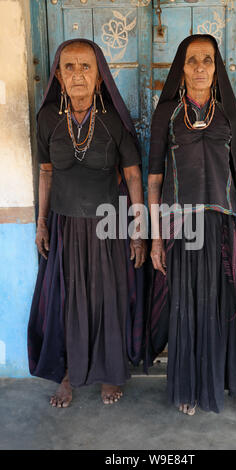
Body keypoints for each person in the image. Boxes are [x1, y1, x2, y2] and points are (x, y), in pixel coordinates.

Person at [145, 34, 236, 429]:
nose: (200, 67)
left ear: (217, 66)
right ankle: (188, 385)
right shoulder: (166, 115)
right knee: (185, 307)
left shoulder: (227, 115)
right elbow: (154, 179)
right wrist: (155, 237)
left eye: (208, 59)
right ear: (182, 68)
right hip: (181, 228)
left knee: (233, 304)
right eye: (192, 60)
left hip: (224, 228)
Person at [28, 39, 147, 407]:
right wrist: (42, 223)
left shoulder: (113, 122)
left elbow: (133, 177)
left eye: (86, 67)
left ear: (99, 78)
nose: (77, 75)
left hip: (107, 228)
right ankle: (68, 373)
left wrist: (139, 231)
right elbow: (46, 174)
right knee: (65, 301)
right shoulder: (47, 119)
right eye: (69, 67)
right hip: (65, 227)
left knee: (105, 300)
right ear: (58, 76)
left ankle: (110, 373)